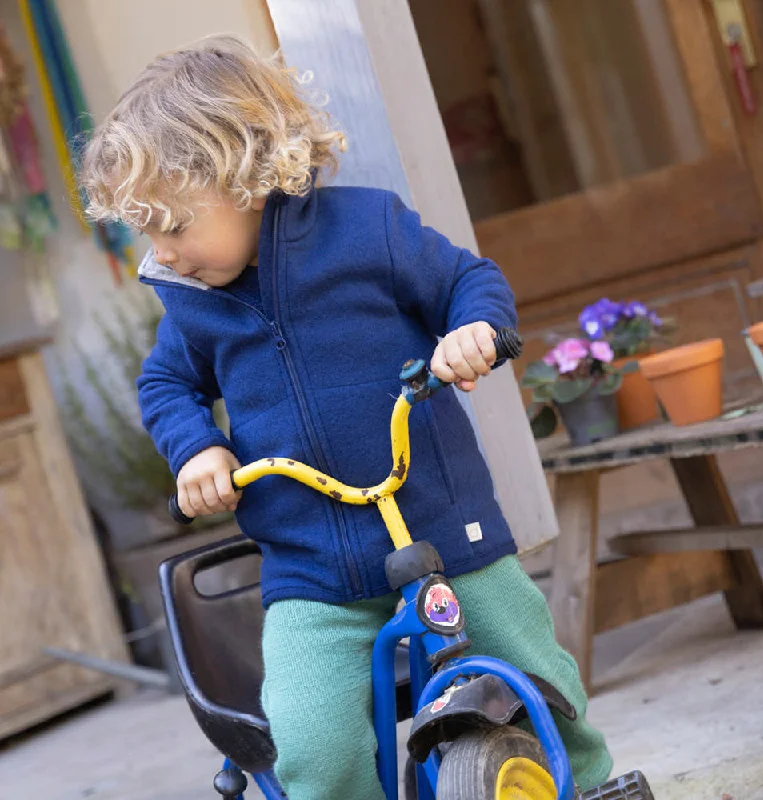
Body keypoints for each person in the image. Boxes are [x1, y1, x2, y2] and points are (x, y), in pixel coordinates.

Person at [81, 34, 612, 800]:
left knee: (533, 673)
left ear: (244, 176)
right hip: (310, 569)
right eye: (148, 233)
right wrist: (196, 449)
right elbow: (165, 384)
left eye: (173, 225)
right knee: (312, 744)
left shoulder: (370, 231)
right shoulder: (193, 305)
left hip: (445, 531)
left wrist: (473, 332)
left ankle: (590, 782)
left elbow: (470, 279)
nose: (163, 254)